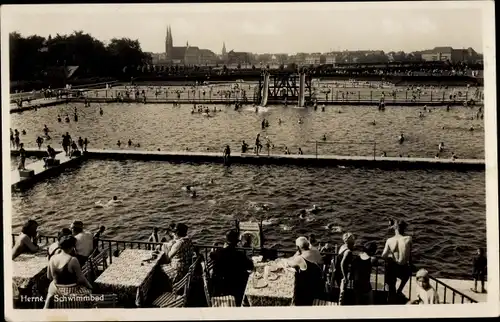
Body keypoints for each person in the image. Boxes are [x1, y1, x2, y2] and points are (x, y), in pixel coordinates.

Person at [44, 235, 93, 309]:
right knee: (90, 296)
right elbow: (81, 279)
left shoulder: (52, 258)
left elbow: (49, 277)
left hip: (57, 290)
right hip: (71, 290)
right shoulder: (73, 260)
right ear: (72, 247)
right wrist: (90, 287)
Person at [211, 230, 254, 306]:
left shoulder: (218, 253)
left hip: (221, 287)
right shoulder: (239, 255)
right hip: (236, 288)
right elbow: (250, 266)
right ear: (236, 243)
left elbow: (212, 256)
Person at [284, 237, 324, 306]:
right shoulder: (315, 250)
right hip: (318, 285)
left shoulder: (300, 259)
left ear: (298, 247)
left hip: (307, 291)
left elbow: (289, 263)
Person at [381, 219, 412, 303]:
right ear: (403, 229)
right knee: (406, 276)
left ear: (395, 228)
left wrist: (391, 255)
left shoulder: (389, 240)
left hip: (393, 267)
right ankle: (399, 291)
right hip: (403, 267)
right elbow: (409, 255)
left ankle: (391, 299)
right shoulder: (408, 239)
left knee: (391, 286)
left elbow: (383, 255)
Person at [333, 233, 355, 305]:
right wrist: (345, 276)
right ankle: (341, 306)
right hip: (342, 273)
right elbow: (342, 263)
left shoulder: (343, 246)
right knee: (342, 291)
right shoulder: (348, 251)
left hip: (337, 271)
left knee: (341, 290)